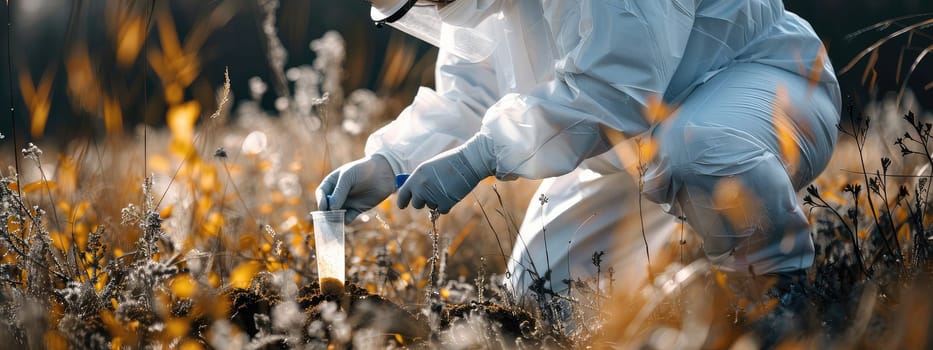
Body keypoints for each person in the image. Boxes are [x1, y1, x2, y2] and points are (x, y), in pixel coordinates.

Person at [316, 0, 840, 302]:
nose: (433, 7)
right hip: (624, 144)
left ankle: (779, 299)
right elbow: (471, 97)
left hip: (760, 86)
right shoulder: (481, 9)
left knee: (699, 150)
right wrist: (389, 163)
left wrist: (478, 158)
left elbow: (615, 87)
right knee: (541, 294)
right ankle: (686, 288)